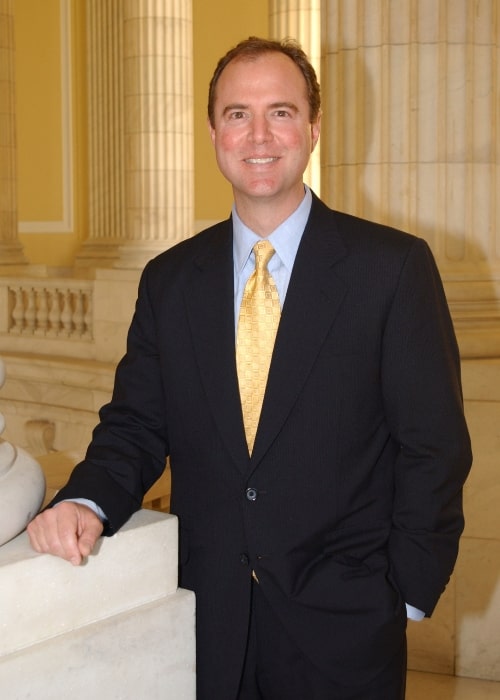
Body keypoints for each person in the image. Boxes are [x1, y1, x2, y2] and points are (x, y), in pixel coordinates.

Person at [27, 37, 472, 700]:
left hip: (345, 630)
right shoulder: (171, 280)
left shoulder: (392, 270)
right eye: (238, 114)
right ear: (213, 133)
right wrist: (84, 500)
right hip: (207, 625)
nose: (259, 134)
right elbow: (135, 426)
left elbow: (433, 449)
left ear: (314, 128)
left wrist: (403, 596)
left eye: (281, 112)